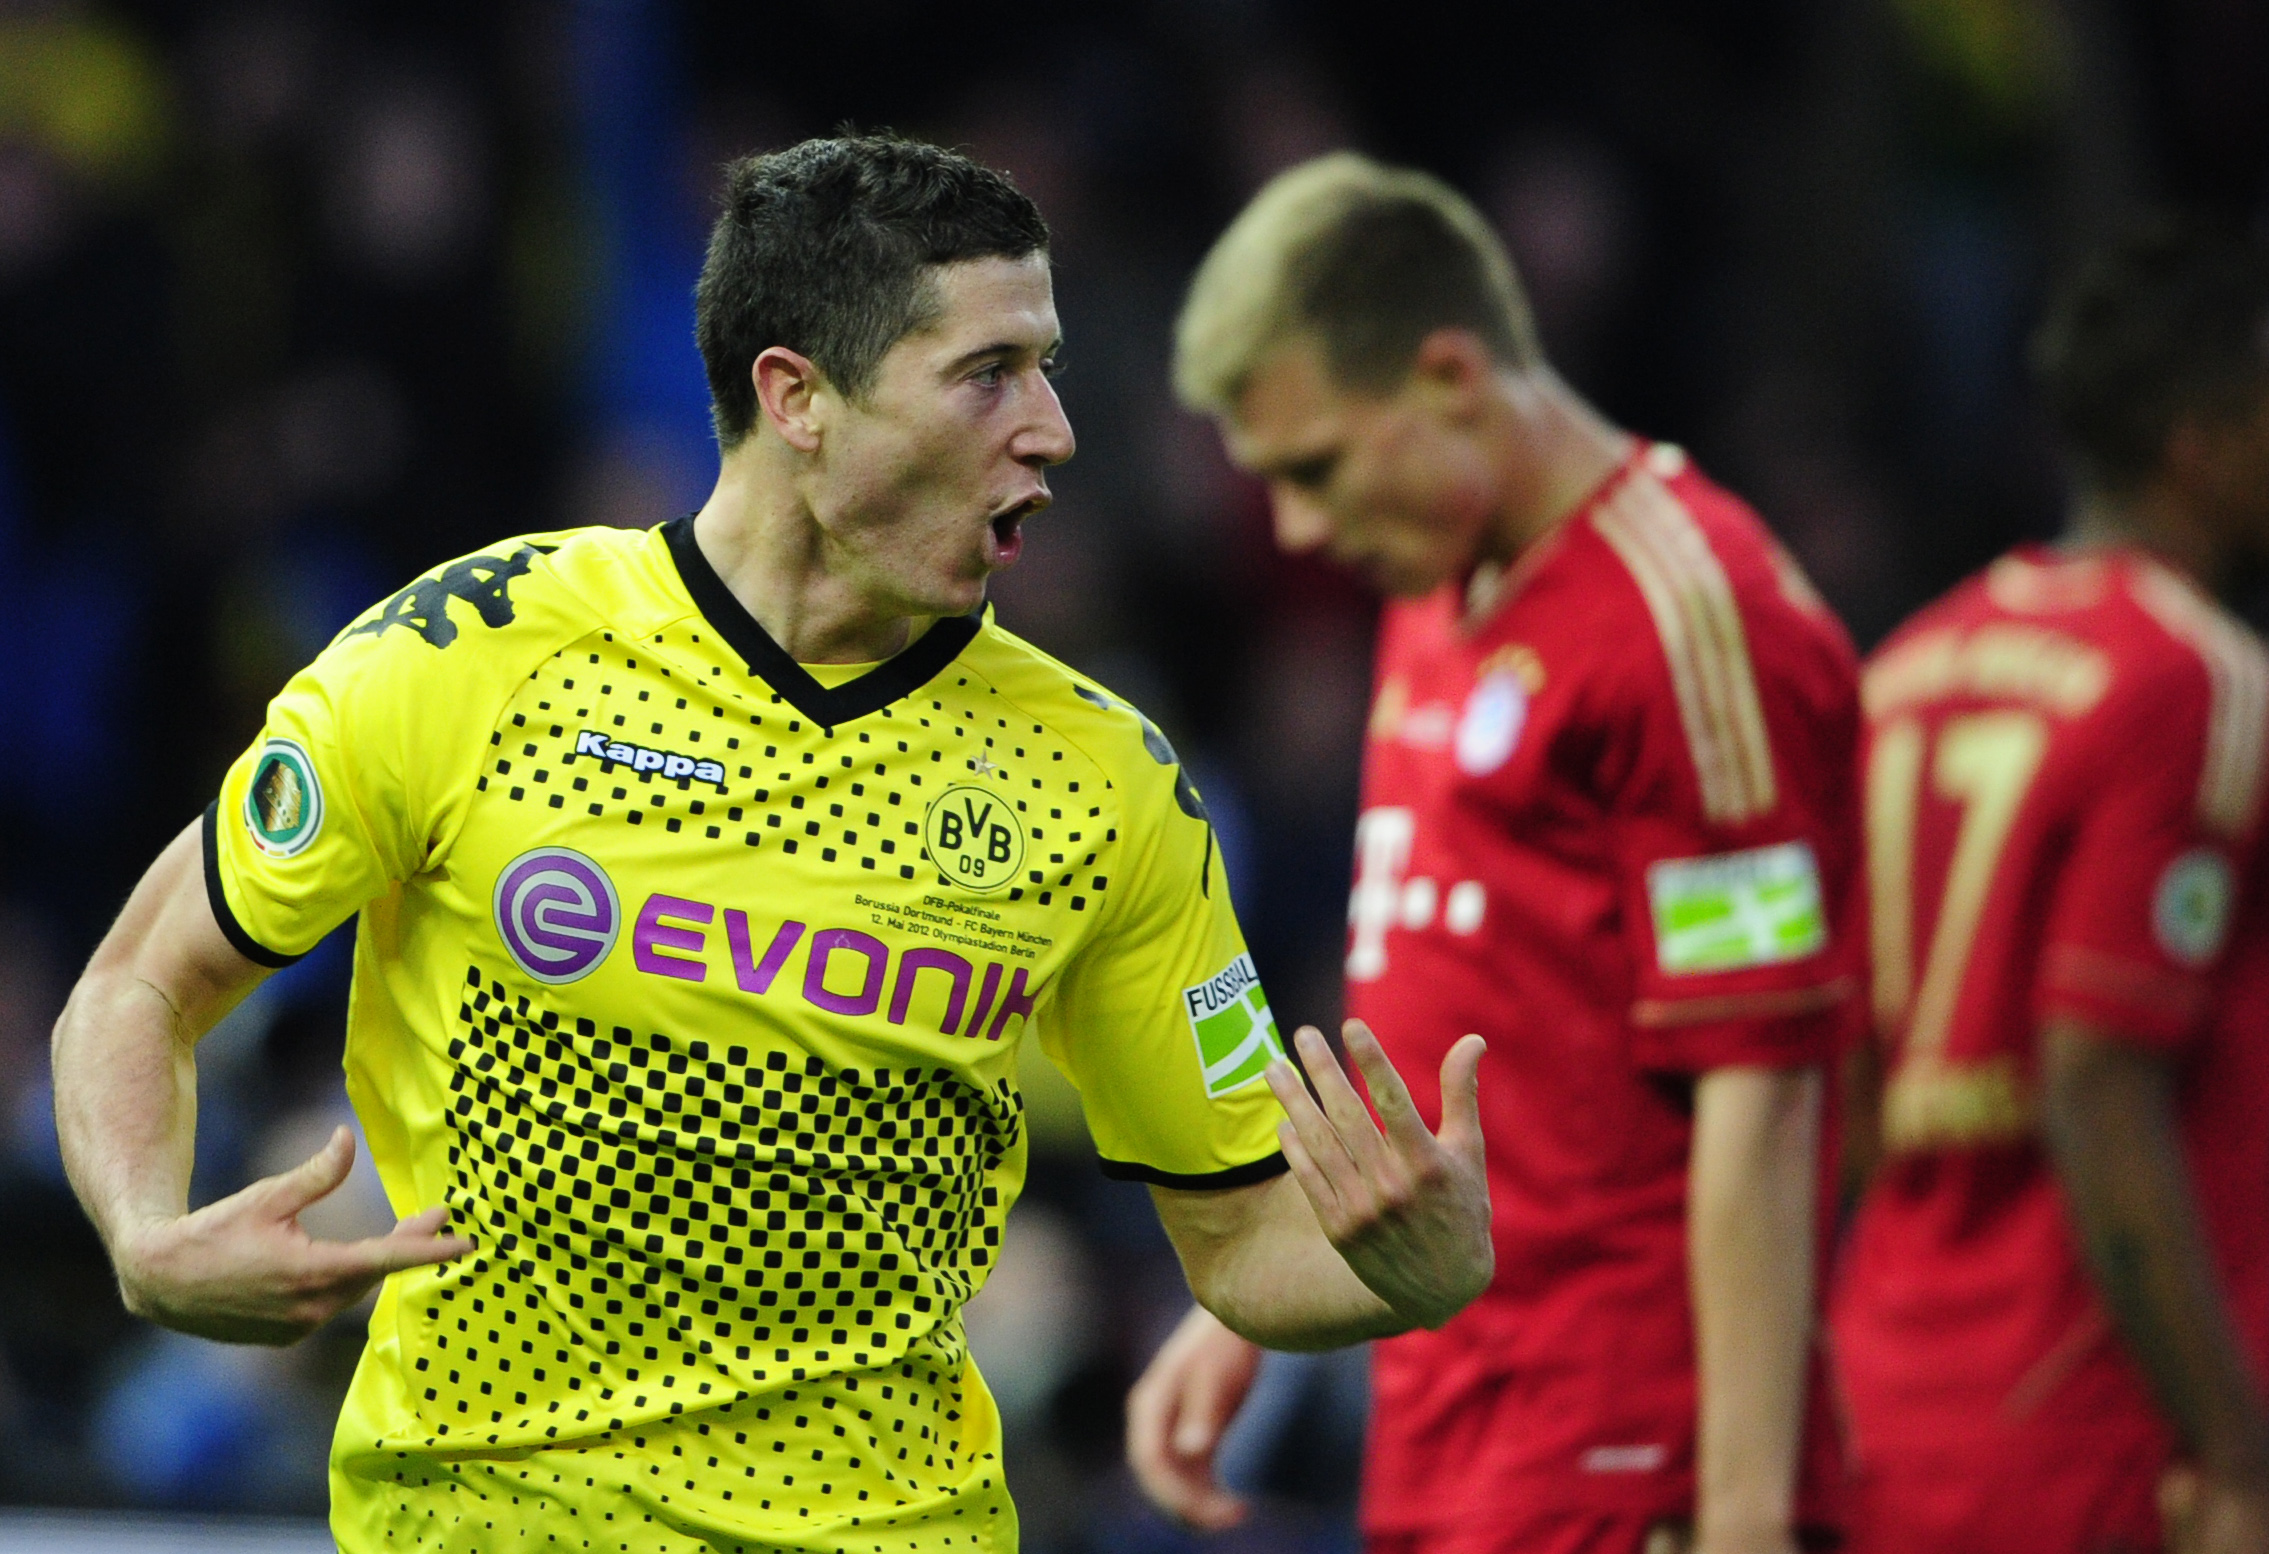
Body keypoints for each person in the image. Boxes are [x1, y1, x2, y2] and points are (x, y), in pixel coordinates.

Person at [48, 134, 1494, 1553]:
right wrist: (142, 1230)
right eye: (990, 373)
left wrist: (1411, 1276)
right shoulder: (470, 654)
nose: (1052, 424)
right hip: (480, 1520)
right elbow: (138, 983)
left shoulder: (1103, 778)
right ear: (798, 398)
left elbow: (1240, 1237)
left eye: (1045, 366)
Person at [1126, 152, 1863, 1554]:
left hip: (1632, 1453)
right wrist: (1265, 1295)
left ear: (1452, 377)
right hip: (1451, 1424)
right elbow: (1439, 1003)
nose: (1295, 527)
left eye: (1317, 466)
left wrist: (1749, 1515)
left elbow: (1764, 1091)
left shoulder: (1687, 611)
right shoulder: (1440, 585)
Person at [1829, 220, 2269, 1554]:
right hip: (2089, 1440)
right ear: (2201, 446)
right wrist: (2240, 1461)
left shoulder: (1907, 666)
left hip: (1882, 1414)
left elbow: (1849, 1089)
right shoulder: (2202, 680)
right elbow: (2097, 1080)